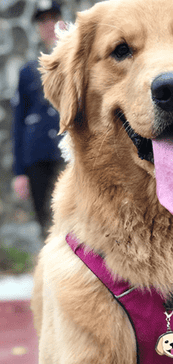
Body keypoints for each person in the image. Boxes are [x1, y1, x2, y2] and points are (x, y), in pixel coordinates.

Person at [11, 0, 64, 239]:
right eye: (43, 21)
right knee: (45, 216)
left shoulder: (73, 62)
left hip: (67, 149)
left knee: (71, 212)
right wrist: (19, 171)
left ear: (61, 20)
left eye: (53, 18)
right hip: (38, 153)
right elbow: (18, 121)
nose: (49, 25)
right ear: (38, 27)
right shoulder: (27, 70)